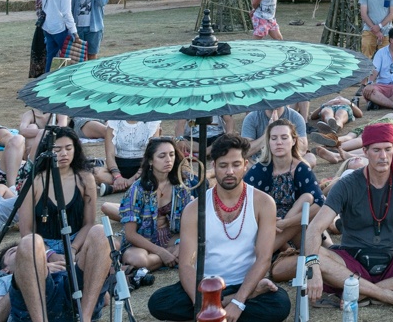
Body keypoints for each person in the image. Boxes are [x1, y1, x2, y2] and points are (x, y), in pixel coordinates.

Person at [300, 123, 393, 311]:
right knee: (319, 258)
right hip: (351, 260)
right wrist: (313, 265)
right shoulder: (346, 184)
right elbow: (315, 228)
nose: (383, 156)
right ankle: (389, 296)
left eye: (388, 149)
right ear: (364, 151)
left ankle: (365, 292)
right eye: (376, 150)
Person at [148, 134, 287, 322]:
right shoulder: (194, 209)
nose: (230, 171)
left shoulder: (263, 203)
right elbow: (187, 264)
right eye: (223, 165)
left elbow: (264, 258)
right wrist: (203, 304)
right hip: (205, 285)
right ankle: (226, 306)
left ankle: (232, 304)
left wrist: (238, 301)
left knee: (280, 305)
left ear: (245, 165)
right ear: (214, 166)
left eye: (236, 165)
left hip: (243, 283)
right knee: (159, 302)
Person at [12, 128, 112, 322]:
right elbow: (26, 231)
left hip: (76, 243)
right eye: (57, 150)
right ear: (47, 152)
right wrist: (50, 255)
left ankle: (86, 316)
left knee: (100, 232)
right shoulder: (34, 181)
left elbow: (89, 223)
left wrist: (73, 250)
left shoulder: (85, 178)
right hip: (41, 246)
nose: (64, 154)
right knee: (30, 243)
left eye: (68, 148)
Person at [245, 120, 323, 260]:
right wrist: (266, 221)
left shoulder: (302, 168)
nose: (278, 142)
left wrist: (286, 223)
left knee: (307, 198)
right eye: (273, 138)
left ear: (293, 141)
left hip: (291, 222)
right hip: (266, 225)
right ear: (268, 142)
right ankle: (287, 250)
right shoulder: (260, 169)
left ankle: (268, 254)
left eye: (284, 137)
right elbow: (243, 198)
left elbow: (319, 203)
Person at [118, 138, 194, 276]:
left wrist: (180, 242)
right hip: (143, 242)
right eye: (162, 156)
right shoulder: (137, 190)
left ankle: (153, 264)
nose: (168, 160)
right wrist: (162, 253)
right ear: (151, 161)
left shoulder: (182, 185)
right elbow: (130, 234)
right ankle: (171, 258)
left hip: (172, 237)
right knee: (137, 259)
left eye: (171, 155)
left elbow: (190, 222)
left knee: (197, 246)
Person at [40, 0, 76, 64]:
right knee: (69, 58)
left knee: (50, 58)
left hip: (47, 27)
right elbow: (66, 12)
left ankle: (48, 78)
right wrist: (74, 31)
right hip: (60, 28)